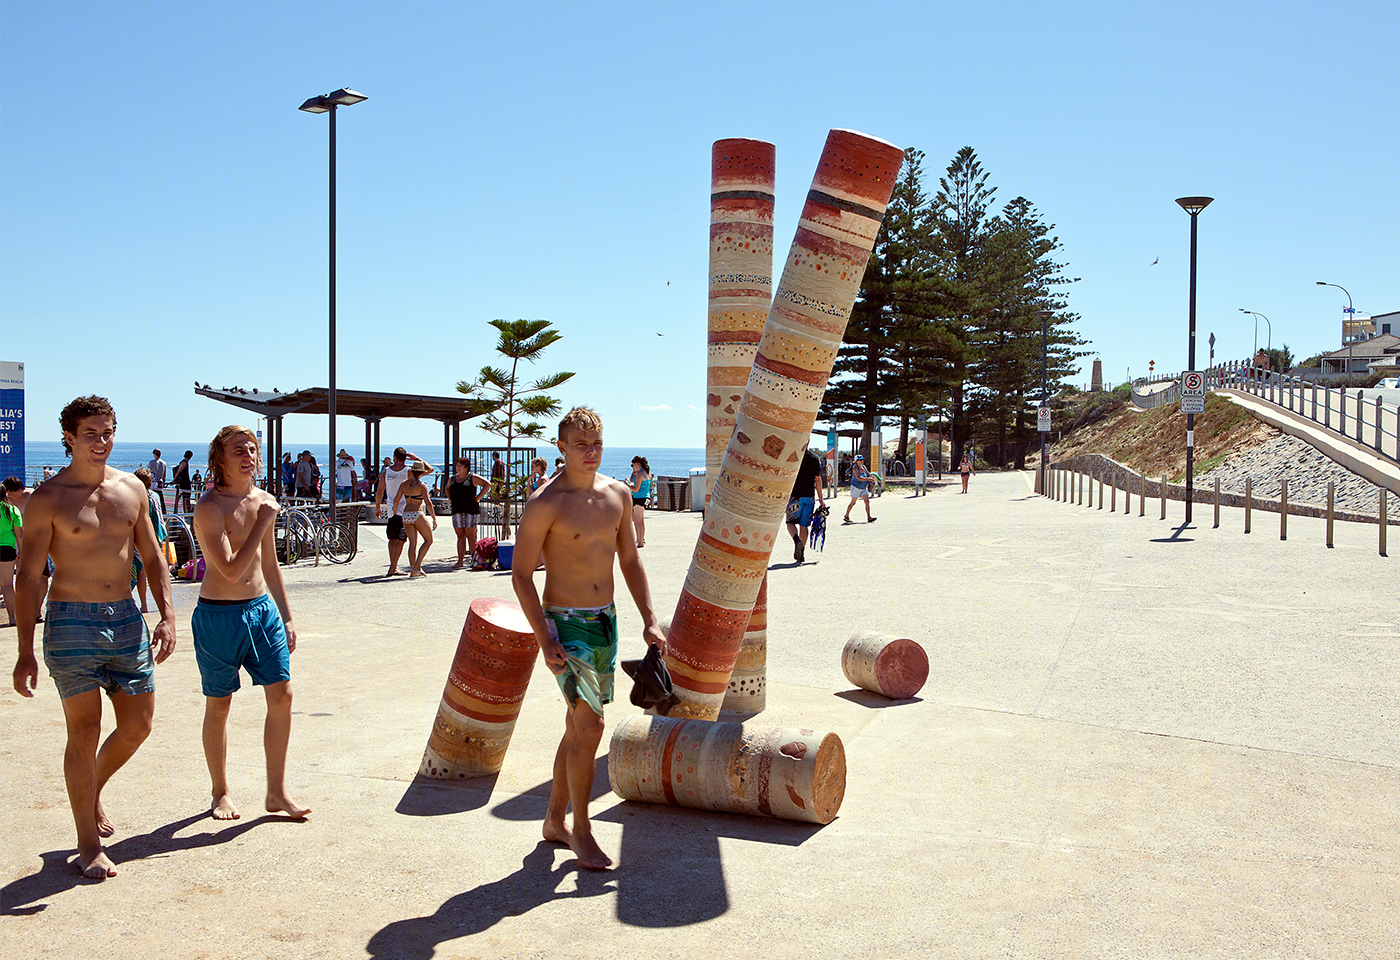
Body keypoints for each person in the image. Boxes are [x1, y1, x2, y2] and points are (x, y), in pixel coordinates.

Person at [12, 396, 176, 879]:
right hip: (70, 623)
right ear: (69, 437)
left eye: (107, 433)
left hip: (125, 619)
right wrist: (24, 650)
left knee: (138, 726)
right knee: (83, 731)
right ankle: (87, 844)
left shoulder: (131, 490)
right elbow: (30, 576)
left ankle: (91, 789)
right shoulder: (48, 498)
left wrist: (166, 615)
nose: (101, 442)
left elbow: (152, 554)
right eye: (91, 434)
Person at [512, 406, 666, 870]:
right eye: (581, 444)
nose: (591, 452)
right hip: (567, 624)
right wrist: (544, 638)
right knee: (592, 726)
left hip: (606, 622)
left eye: (597, 443)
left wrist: (650, 619)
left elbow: (630, 561)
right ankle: (581, 830)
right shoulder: (546, 503)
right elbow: (521, 575)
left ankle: (554, 820)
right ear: (561, 447)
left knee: (577, 726)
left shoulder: (617, 495)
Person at [191, 425, 310, 822]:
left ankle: (275, 791)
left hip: (262, 612)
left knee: (283, 695)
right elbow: (226, 570)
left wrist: (287, 615)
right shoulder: (210, 506)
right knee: (220, 704)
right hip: (219, 615)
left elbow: (270, 564)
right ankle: (220, 791)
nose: (248, 455)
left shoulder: (264, 501)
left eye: (253, 448)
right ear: (219, 458)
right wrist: (261, 522)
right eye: (238, 449)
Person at [374, 447, 429, 577]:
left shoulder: (386, 471)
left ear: (394, 457)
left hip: (391, 508)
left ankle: (393, 566)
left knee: (392, 538)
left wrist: (377, 506)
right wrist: (416, 459)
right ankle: (392, 568)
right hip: (406, 508)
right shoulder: (408, 471)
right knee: (401, 540)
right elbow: (428, 470)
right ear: (405, 458)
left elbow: (380, 490)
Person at [131, 468, 167, 614]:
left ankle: (143, 604)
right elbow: (158, 518)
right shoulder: (154, 496)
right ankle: (157, 605)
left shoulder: (136, 497)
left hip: (140, 537)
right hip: (155, 536)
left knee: (139, 570)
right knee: (150, 570)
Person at [392, 461, 437, 579]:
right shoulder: (422, 485)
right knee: (429, 540)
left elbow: (396, 500)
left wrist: (395, 512)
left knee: (412, 543)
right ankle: (417, 566)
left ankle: (413, 571)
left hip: (406, 514)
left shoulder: (404, 484)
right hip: (417, 513)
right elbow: (428, 502)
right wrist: (434, 518)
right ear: (422, 472)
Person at [445, 457, 491, 569]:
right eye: (457, 465)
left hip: (470, 509)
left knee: (471, 536)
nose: (458, 468)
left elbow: (487, 484)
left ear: (466, 467)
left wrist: (478, 497)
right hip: (457, 510)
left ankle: (474, 560)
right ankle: (460, 561)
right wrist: (450, 499)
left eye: (460, 466)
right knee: (460, 536)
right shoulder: (452, 479)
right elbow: (447, 488)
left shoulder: (472, 477)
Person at [786, 446, 826, 563]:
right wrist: (821, 499)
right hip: (809, 496)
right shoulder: (814, 458)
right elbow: (818, 480)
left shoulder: (793, 456)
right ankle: (801, 553)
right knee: (804, 526)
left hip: (794, 496)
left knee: (790, 522)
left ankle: (796, 540)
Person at [1, 477, 21, 626]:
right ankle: (12, 618)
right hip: (7, 548)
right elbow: (19, 533)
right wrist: (21, 550)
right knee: (7, 584)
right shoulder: (12, 509)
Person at [843, 454, 876, 524]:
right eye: (859, 460)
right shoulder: (855, 468)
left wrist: (872, 476)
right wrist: (868, 478)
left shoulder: (864, 467)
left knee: (867, 501)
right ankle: (846, 516)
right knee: (853, 502)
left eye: (862, 460)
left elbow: (868, 474)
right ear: (856, 461)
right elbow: (858, 477)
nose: (861, 461)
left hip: (863, 487)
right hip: (856, 487)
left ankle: (869, 517)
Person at [627, 456, 652, 547]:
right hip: (641, 497)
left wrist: (627, 485)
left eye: (633, 465)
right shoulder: (645, 472)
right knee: (636, 519)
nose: (633, 467)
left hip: (640, 497)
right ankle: (639, 539)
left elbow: (636, 489)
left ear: (637, 463)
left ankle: (641, 541)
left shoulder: (640, 474)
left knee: (640, 520)